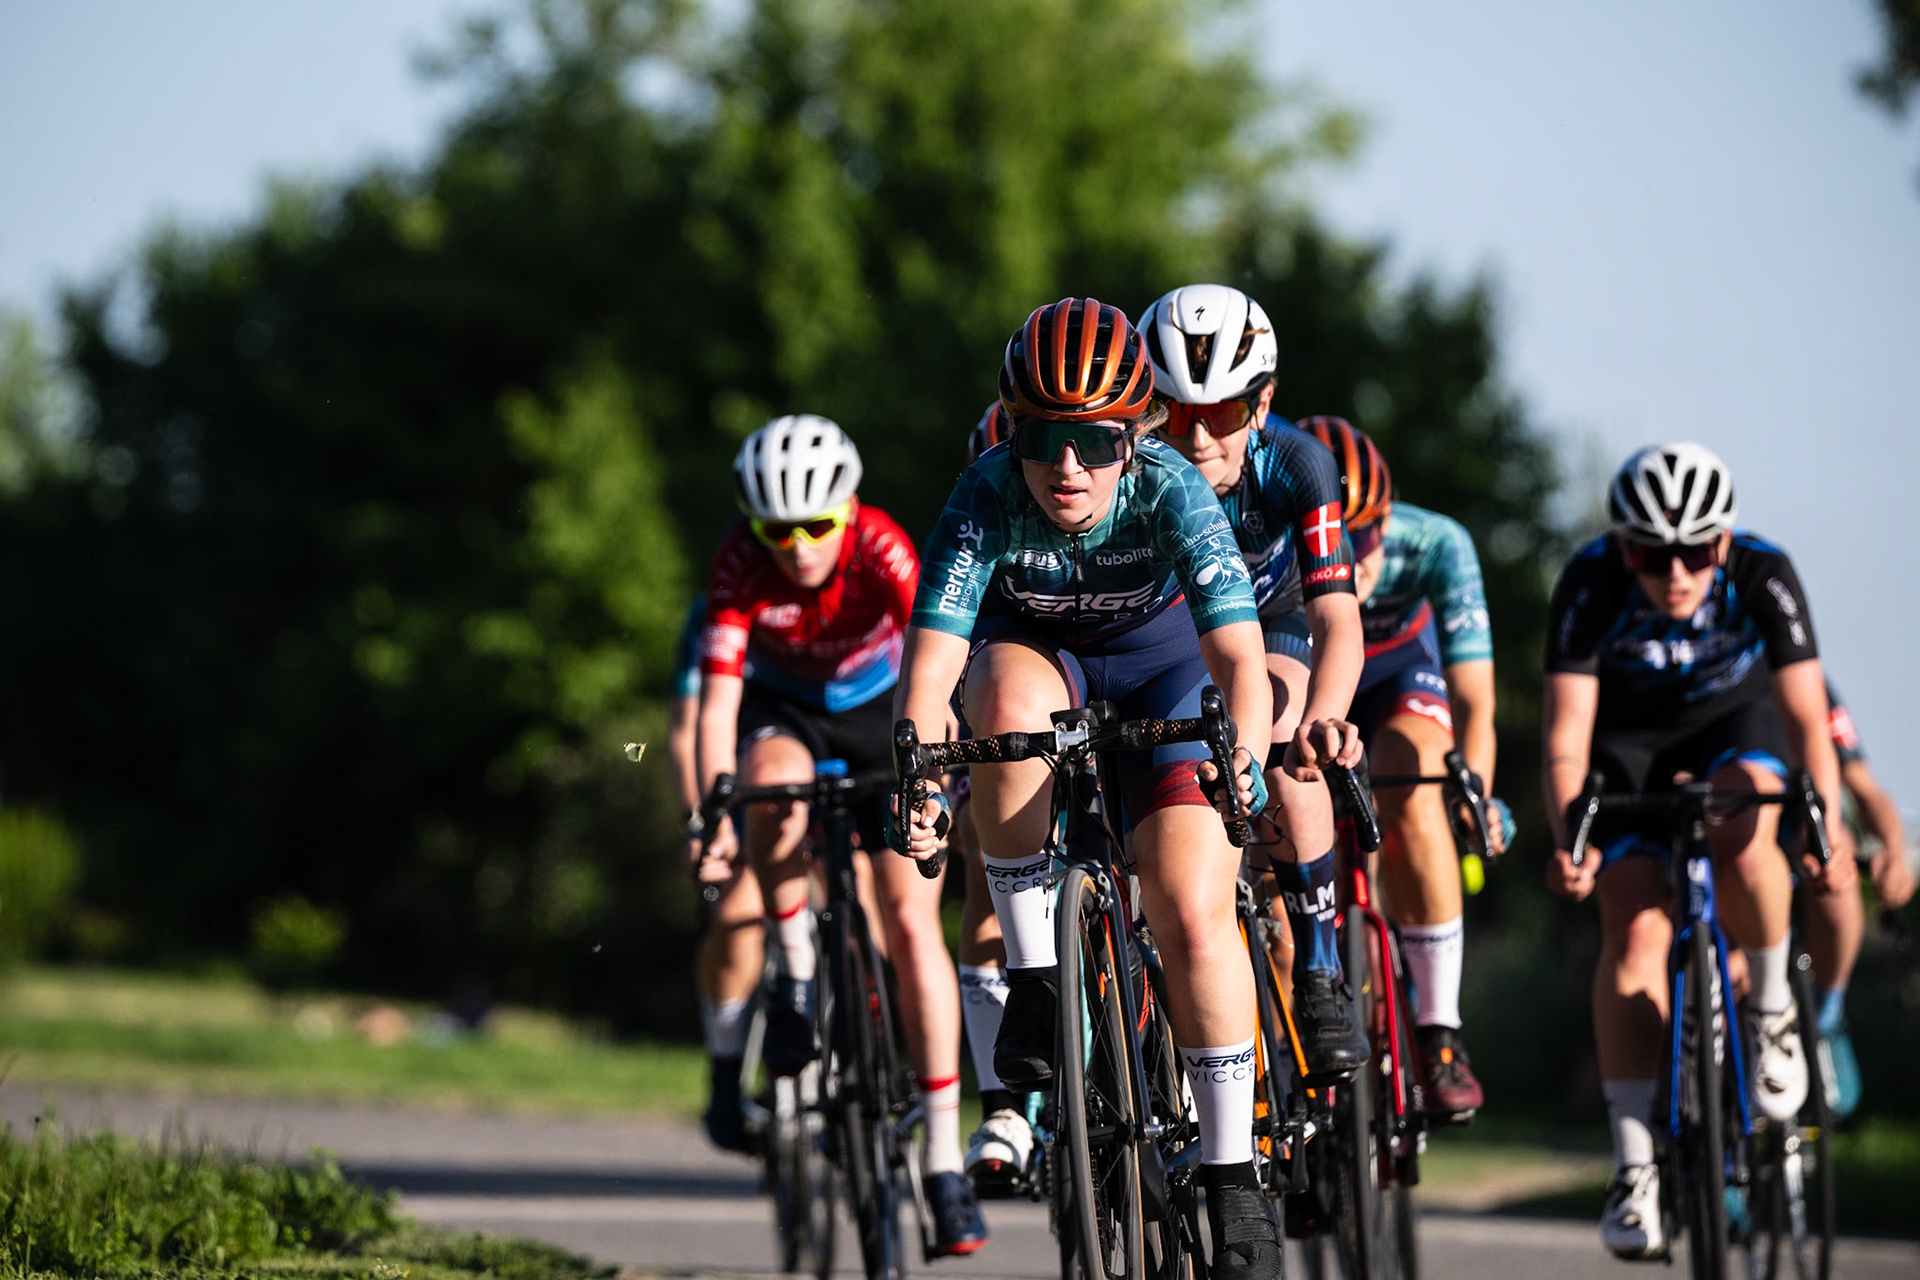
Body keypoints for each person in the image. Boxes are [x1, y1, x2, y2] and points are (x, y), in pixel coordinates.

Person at [895, 297, 1296, 1280]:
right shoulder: (986, 491)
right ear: (1012, 431)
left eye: (1096, 440)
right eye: (1041, 437)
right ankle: (1038, 979)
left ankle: (1231, 1168)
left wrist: (1244, 758)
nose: (1066, 466)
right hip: (1043, 661)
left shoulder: (1172, 488)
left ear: (1135, 435)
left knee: (1191, 905)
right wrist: (922, 777)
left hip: (1166, 670)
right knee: (998, 699)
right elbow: (932, 668)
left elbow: (1240, 658)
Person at [1542, 442, 1855, 1260]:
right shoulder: (1590, 581)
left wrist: (1822, 821)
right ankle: (1635, 1165)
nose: (1675, 574)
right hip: (1629, 745)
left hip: (1734, 723)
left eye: (1694, 553)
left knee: (1747, 827)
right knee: (1634, 922)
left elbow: (1806, 719)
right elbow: (1566, 739)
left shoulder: (1764, 571)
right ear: (1624, 548)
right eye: (1652, 555)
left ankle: (1773, 1010)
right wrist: (1572, 838)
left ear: (1723, 542)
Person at [694, 415, 987, 1255]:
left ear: (848, 509)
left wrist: (936, 778)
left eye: (816, 525)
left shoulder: (882, 546)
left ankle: (942, 1158)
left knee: (911, 926)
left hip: (882, 713)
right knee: (768, 788)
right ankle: (795, 967)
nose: (797, 547)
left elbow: (942, 659)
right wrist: (715, 810)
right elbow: (718, 706)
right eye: (776, 530)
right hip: (787, 713)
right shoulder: (738, 564)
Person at [1136, 284, 1370, 1074]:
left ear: (1263, 404)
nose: (1199, 438)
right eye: (1174, 414)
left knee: (1281, 737)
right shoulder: (1130, 468)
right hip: (1172, 631)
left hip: (1274, 621)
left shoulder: (1300, 464)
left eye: (1223, 412)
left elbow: (1338, 620)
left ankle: (1319, 969)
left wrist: (1325, 718)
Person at [1298, 415, 1506, 1117]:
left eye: (1362, 538)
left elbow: (1474, 700)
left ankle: (1440, 1031)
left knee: (1412, 780)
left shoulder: (1438, 544)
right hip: (1307, 677)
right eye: (1332, 536)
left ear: (1386, 524)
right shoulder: (1263, 539)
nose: (1348, 555)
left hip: (1397, 681)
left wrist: (1476, 794)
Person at [949, 401, 1036, 1196]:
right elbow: (947, 673)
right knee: (984, 865)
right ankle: (1002, 1106)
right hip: (1004, 713)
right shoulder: (975, 531)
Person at [667, 590, 768, 1153]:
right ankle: (726, 1075)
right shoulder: (713, 614)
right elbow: (686, 732)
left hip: (827, 763)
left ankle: (854, 1062)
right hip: (736, 785)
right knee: (734, 918)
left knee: (868, 915)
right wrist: (698, 822)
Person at [1803, 681, 1916, 1117]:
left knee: (1837, 855)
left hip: (1806, 840)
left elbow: (1865, 788)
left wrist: (1893, 850)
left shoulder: (1811, 687)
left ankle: (1826, 1014)